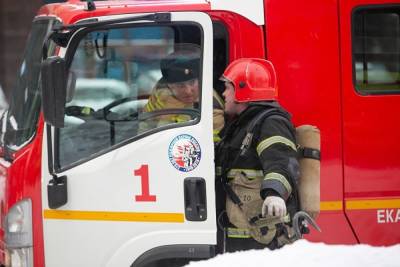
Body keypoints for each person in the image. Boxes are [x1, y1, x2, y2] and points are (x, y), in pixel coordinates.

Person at [215, 58, 300, 252]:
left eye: (228, 87)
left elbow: (282, 161)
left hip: (263, 237)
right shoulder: (241, 125)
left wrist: (275, 193)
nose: (224, 93)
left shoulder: (271, 122)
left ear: (243, 91)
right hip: (245, 234)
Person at [141, 46, 224, 139]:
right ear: (169, 85)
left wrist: (167, 117)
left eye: (192, 83)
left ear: (200, 80)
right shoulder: (161, 90)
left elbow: (212, 145)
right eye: (180, 86)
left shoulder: (211, 105)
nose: (188, 91)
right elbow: (145, 126)